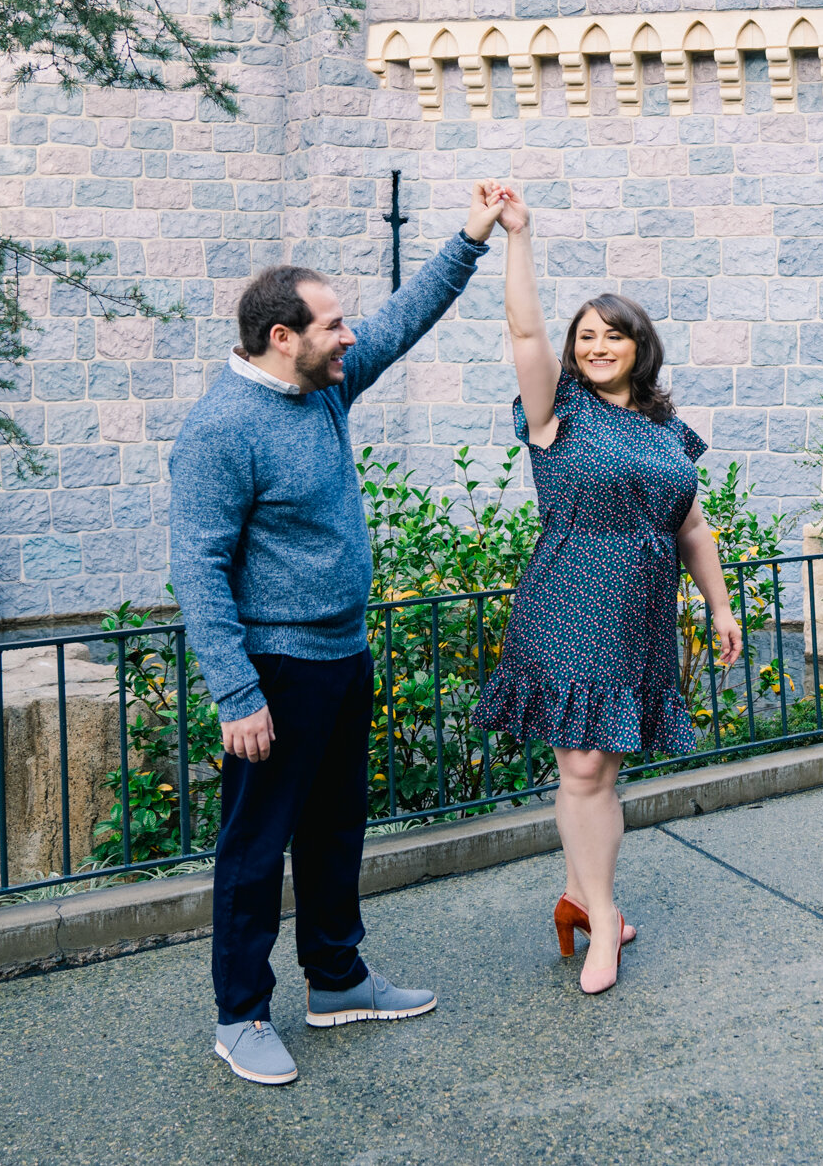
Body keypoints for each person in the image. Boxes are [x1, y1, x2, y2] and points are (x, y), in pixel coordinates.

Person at [169, 181, 504, 1086]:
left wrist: (470, 237)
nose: (349, 333)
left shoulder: (321, 390)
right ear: (284, 336)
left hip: (341, 655)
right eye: (332, 323)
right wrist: (236, 693)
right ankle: (239, 1016)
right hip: (274, 668)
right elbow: (197, 567)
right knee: (252, 849)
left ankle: (337, 979)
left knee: (333, 830)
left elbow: (402, 320)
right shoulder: (220, 430)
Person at [470, 185, 741, 995]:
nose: (594, 345)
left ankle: (583, 898)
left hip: (640, 612)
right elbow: (525, 327)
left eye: (610, 334)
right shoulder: (557, 413)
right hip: (568, 599)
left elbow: (693, 526)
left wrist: (721, 607)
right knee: (582, 769)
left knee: (602, 773)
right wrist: (518, 235)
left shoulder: (664, 428)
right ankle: (603, 918)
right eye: (584, 335)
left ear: (638, 346)